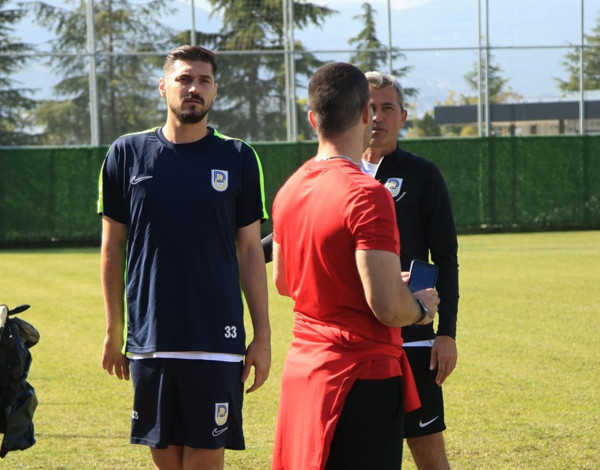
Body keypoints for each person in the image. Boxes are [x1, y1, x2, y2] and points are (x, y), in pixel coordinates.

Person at [97, 45, 271, 470]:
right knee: (167, 459)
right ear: (163, 87)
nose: (194, 88)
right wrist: (114, 330)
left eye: (204, 81)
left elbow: (250, 251)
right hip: (151, 338)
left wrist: (262, 335)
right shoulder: (125, 154)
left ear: (214, 92)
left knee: (205, 461)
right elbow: (112, 249)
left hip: (217, 339)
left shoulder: (239, 157)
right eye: (184, 79)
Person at [270, 61, 440, 470]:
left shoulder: (288, 190)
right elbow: (386, 307)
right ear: (366, 113)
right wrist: (420, 307)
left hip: (305, 372)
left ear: (313, 118)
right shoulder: (367, 193)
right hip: (360, 378)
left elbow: (284, 281)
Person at [362, 71, 460, 470]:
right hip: (357, 341)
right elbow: (286, 234)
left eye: (387, 108)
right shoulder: (335, 173)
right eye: (368, 107)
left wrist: (446, 333)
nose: (376, 117)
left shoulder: (422, 175)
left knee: (429, 455)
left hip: (413, 340)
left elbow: (446, 259)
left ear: (403, 117)